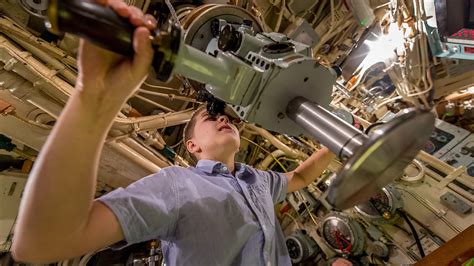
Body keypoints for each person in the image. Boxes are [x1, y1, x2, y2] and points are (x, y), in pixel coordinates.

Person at [11, 0, 335, 264]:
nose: (224, 119)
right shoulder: (177, 185)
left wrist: (339, 144)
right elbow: (42, 242)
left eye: (226, 119)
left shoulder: (258, 180)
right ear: (192, 146)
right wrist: (94, 98)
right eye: (210, 119)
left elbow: (302, 178)